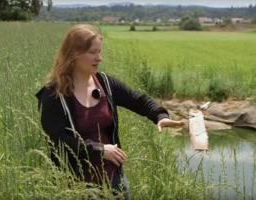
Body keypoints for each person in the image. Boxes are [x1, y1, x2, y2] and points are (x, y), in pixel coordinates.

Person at [35, 24, 185, 200]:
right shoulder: (53, 94)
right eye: (93, 52)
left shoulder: (105, 83)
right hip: (75, 187)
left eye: (100, 52)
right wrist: (100, 150)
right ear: (73, 54)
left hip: (115, 181)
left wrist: (160, 116)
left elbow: (138, 99)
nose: (99, 58)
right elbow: (59, 140)